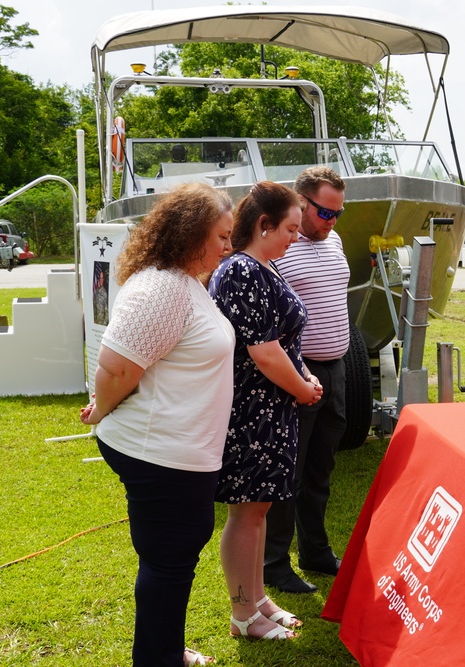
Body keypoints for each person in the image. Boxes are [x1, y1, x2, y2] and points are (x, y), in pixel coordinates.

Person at [79, 182, 235, 667]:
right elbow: (117, 368)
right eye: (222, 236)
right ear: (191, 234)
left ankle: (162, 648)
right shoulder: (164, 287)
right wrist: (101, 409)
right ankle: (157, 658)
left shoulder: (186, 282)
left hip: (177, 450)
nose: (229, 247)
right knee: (169, 561)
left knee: (172, 558)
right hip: (160, 451)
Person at [207, 181, 323, 641]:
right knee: (247, 514)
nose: (297, 236)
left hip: (271, 408)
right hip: (253, 411)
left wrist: (304, 377)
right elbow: (265, 352)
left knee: (259, 510)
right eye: (291, 229)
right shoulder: (241, 272)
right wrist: (304, 389)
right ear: (263, 224)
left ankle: (256, 599)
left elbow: (283, 344)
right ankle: (242, 614)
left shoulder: (263, 268)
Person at [264, 166, 350, 594]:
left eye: (338, 213)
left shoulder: (332, 240)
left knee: (321, 469)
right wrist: (295, 372)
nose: (331, 221)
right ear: (300, 202)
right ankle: (274, 563)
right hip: (299, 374)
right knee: (287, 474)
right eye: (324, 213)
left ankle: (314, 551)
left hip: (336, 370)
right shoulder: (281, 247)